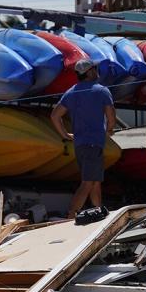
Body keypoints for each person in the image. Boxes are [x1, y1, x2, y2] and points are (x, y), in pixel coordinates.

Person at [50, 58, 116, 219]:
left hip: (80, 146)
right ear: (90, 72)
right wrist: (109, 130)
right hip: (94, 145)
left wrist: (65, 135)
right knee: (87, 182)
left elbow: (54, 116)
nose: (97, 71)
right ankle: (71, 216)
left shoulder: (71, 92)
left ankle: (99, 210)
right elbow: (111, 116)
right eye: (95, 68)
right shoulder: (102, 91)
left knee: (94, 181)